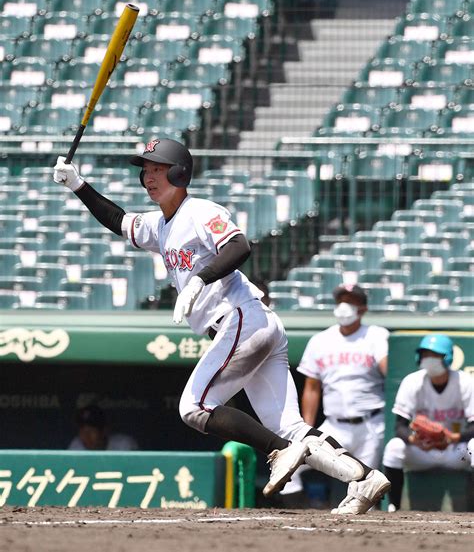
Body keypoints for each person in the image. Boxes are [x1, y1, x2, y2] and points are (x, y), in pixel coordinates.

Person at [53, 138, 390, 514]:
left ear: (179, 172)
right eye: (145, 170)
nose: (148, 176)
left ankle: (278, 451)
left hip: (241, 318)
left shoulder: (199, 211)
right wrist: (79, 186)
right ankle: (364, 478)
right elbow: (119, 221)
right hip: (252, 326)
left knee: (194, 407)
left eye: (157, 168)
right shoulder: (159, 224)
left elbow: (239, 246)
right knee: (291, 426)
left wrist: (201, 278)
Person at [280, 284, 389, 498]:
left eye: (351, 301)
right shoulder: (320, 340)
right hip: (334, 425)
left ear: (363, 308)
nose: (344, 306)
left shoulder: (376, 335)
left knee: (367, 486)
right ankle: (294, 505)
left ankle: (371, 526)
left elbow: (389, 372)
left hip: (370, 425)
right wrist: (307, 428)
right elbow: (312, 387)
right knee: (293, 462)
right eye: (341, 300)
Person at [383, 334, 474, 512]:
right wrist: (412, 440)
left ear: (447, 357)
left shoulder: (466, 382)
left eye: (434, 355)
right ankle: (393, 506)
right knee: (394, 447)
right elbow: (399, 427)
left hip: (455, 450)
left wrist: (453, 438)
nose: (429, 359)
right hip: (422, 449)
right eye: (425, 354)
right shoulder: (412, 381)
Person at [68, 404, 139, 451]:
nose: (86, 436)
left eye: (91, 431)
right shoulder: (76, 447)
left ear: (104, 431)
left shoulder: (124, 445)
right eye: (82, 431)